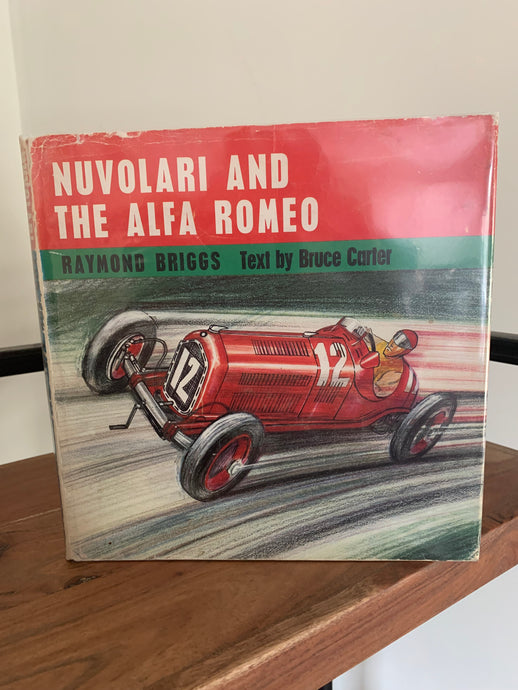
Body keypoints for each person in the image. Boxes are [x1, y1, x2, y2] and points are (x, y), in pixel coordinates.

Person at [373, 329, 418, 397]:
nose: (392, 344)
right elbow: (367, 335)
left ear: (405, 351)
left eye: (401, 344)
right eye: (396, 338)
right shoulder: (381, 344)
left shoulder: (395, 372)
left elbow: (373, 392)